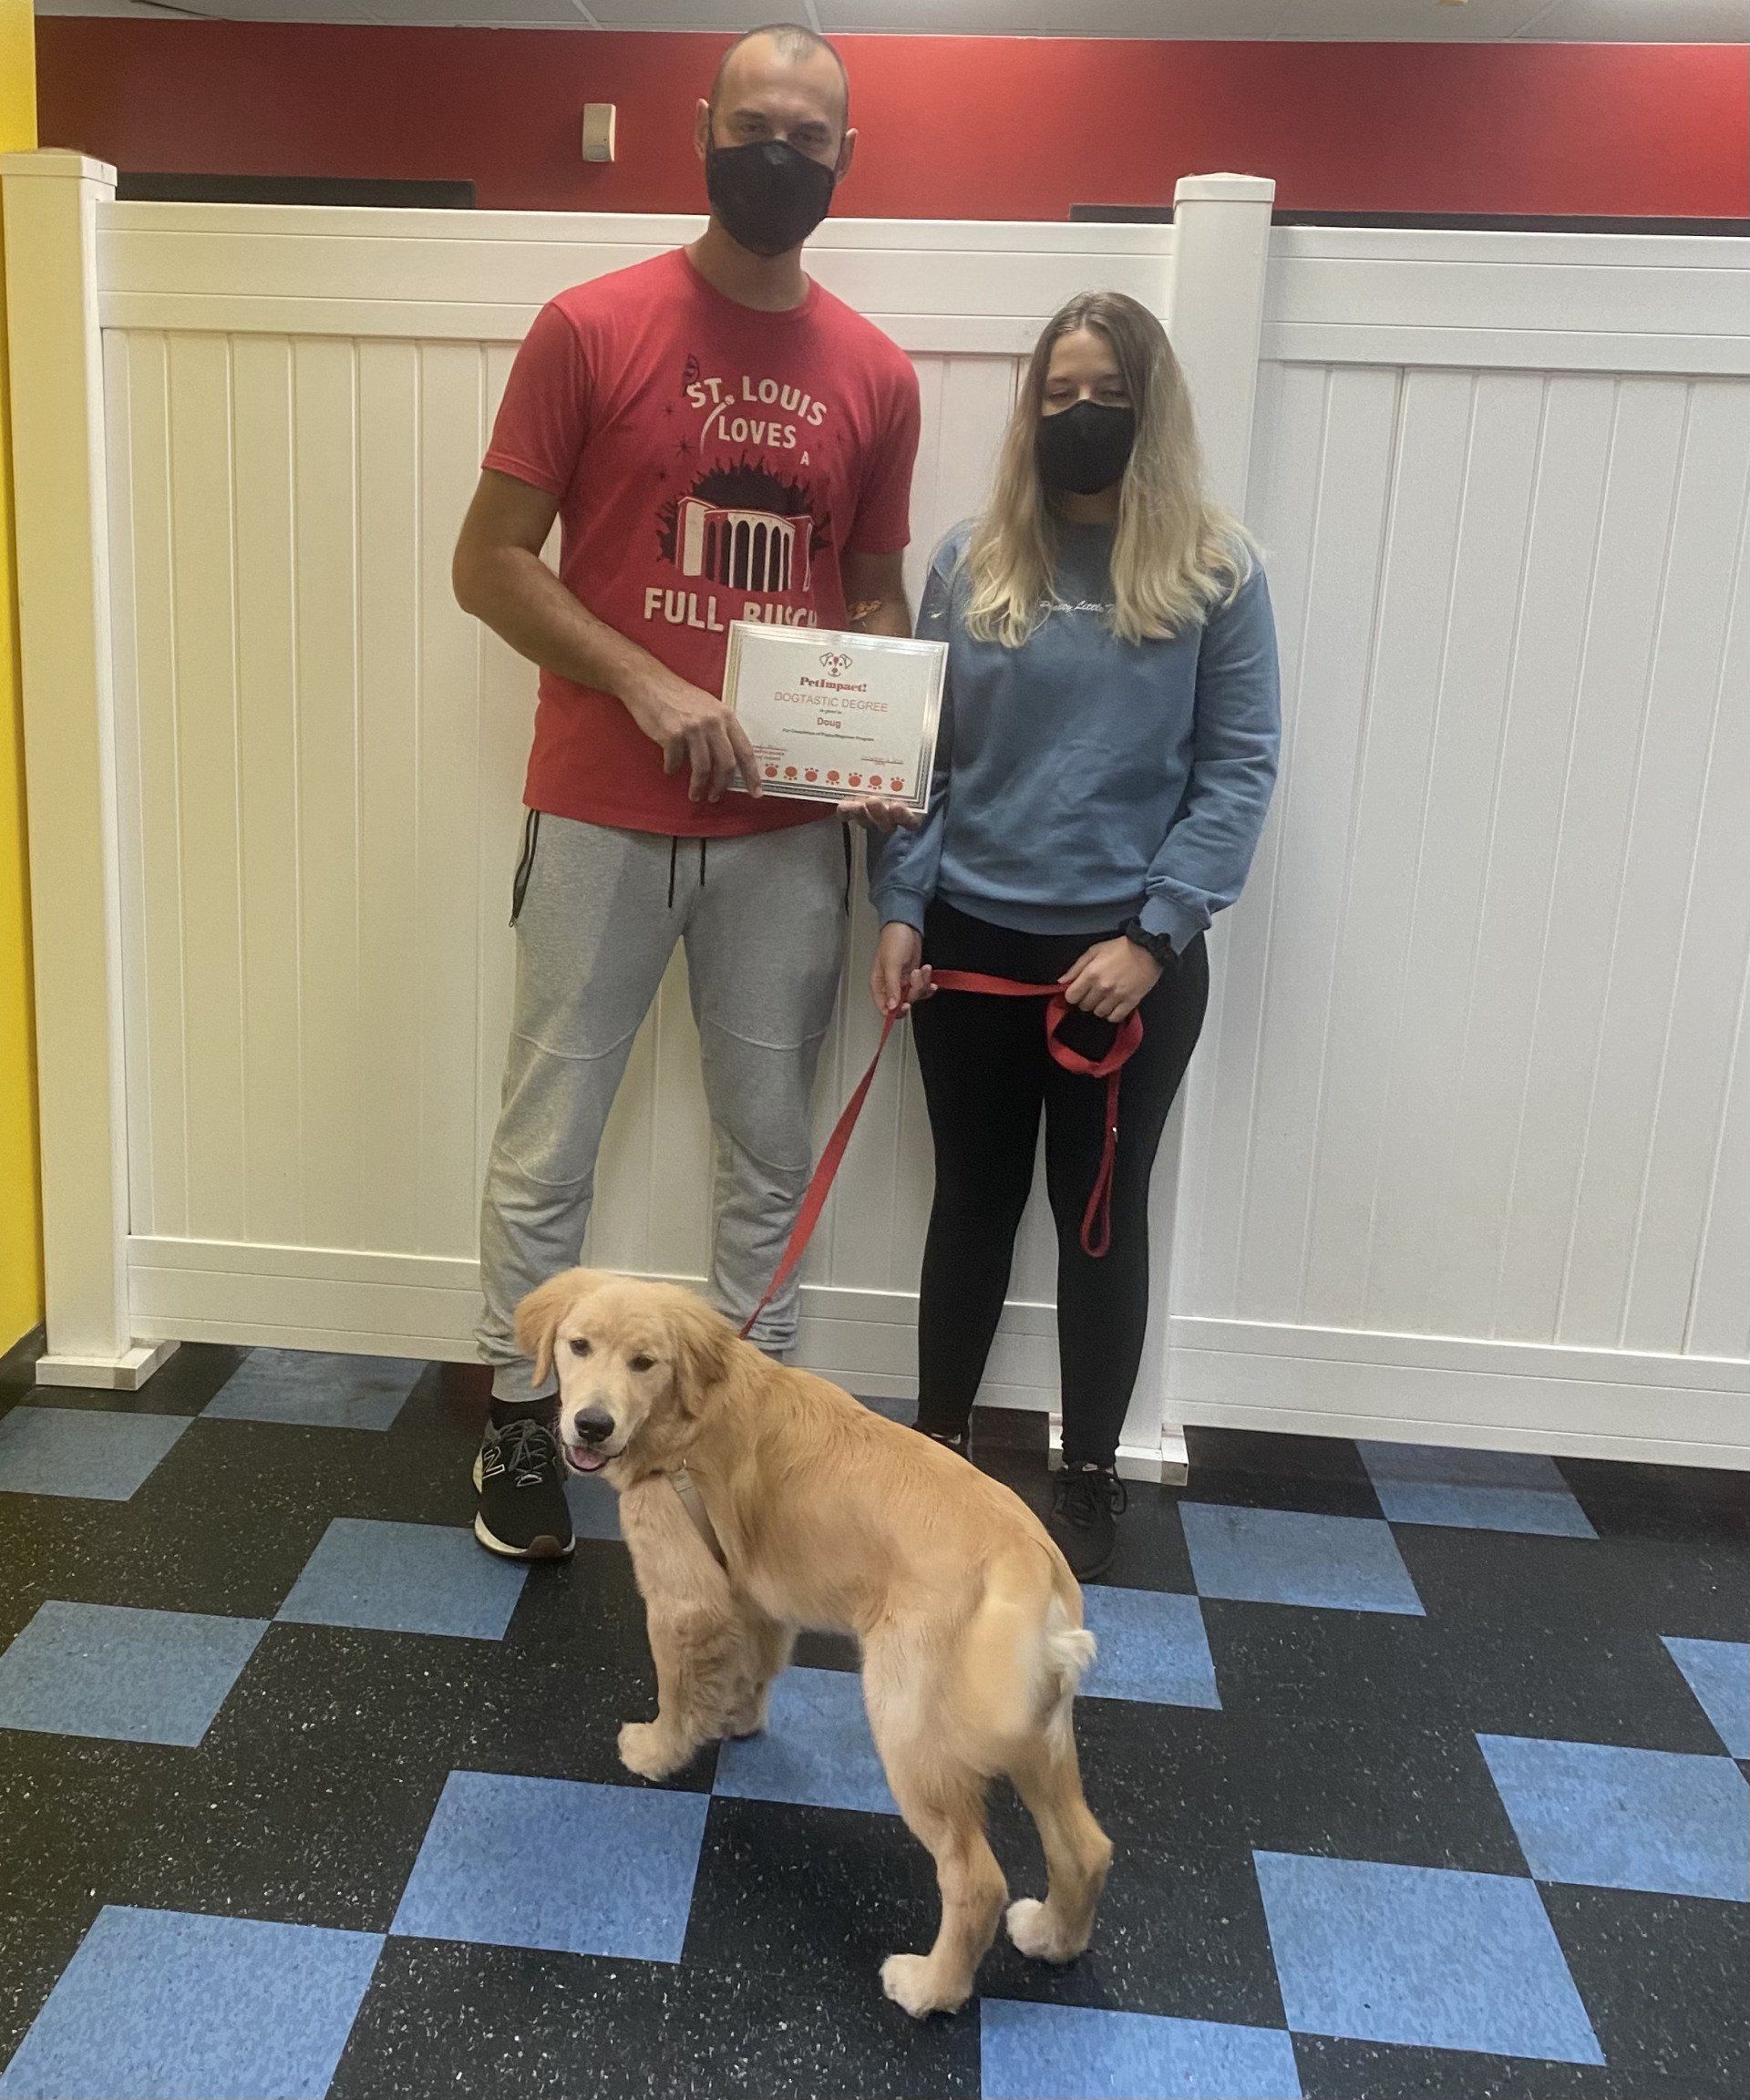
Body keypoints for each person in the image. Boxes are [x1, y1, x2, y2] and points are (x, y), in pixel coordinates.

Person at [453, 22, 921, 1561]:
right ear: (702, 129)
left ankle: (740, 1464)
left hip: (784, 842)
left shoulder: (876, 372)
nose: (779, 156)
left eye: (810, 137)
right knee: (548, 1141)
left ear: (845, 163)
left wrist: (878, 727)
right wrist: (644, 681)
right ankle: (523, 1448)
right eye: (755, 127)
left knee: (768, 1157)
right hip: (596, 806)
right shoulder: (590, 326)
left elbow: (872, 593)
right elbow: (488, 565)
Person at [870, 291, 1280, 1580]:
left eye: (1106, 393)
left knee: (1100, 1216)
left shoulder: (1218, 572)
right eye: (1058, 395)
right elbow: (920, 761)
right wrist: (900, 906)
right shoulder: (969, 563)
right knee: (973, 1204)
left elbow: (1239, 770)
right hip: (972, 951)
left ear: (1148, 410)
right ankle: (938, 1455)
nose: (1080, 414)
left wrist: (1155, 938)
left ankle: (1088, 1468)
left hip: (1129, 968)